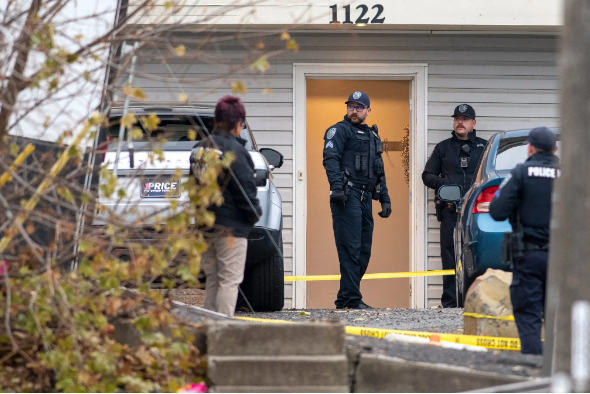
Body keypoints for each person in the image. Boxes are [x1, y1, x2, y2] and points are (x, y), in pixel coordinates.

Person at [489, 127, 558, 355]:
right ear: (555, 149)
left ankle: (534, 375)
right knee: (560, 320)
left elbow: (497, 211)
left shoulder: (520, 173)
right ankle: (563, 377)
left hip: (528, 256)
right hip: (563, 260)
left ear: (530, 148)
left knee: (528, 315)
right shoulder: (571, 175)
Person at [191, 95, 262, 317]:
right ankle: (222, 330)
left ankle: (208, 328)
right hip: (231, 228)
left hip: (205, 225)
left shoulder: (199, 149)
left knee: (212, 279)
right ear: (238, 123)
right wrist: (253, 216)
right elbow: (245, 192)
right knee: (230, 281)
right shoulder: (236, 152)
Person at [323, 91, 391, 310]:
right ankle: (352, 299)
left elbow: (379, 169)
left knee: (363, 250)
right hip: (347, 195)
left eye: (359, 107)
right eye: (351, 107)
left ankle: (344, 298)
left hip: (365, 197)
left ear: (368, 111)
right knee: (350, 249)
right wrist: (336, 188)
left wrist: (385, 199)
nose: (354, 111)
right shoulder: (339, 130)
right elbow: (330, 159)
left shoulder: (372, 136)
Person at [422, 104, 486, 308]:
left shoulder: (484, 147)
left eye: (465, 119)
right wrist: (446, 184)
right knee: (449, 256)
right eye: (457, 118)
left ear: (473, 124)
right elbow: (427, 175)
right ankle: (450, 303)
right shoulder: (443, 148)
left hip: (477, 213)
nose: (460, 122)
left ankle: (475, 302)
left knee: (477, 255)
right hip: (450, 211)